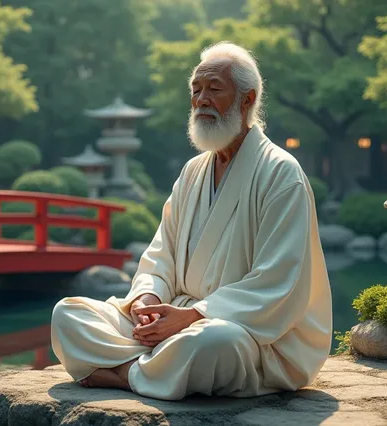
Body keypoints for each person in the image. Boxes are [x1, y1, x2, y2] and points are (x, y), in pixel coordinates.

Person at [50, 41, 333, 401]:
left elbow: (278, 282)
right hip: (174, 321)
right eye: (196, 90)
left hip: (248, 334)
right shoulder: (192, 172)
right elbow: (160, 254)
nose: (201, 100)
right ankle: (156, 371)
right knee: (68, 314)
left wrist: (193, 316)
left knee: (217, 342)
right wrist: (145, 302)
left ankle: (124, 375)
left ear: (247, 100)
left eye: (214, 89)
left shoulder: (280, 173)